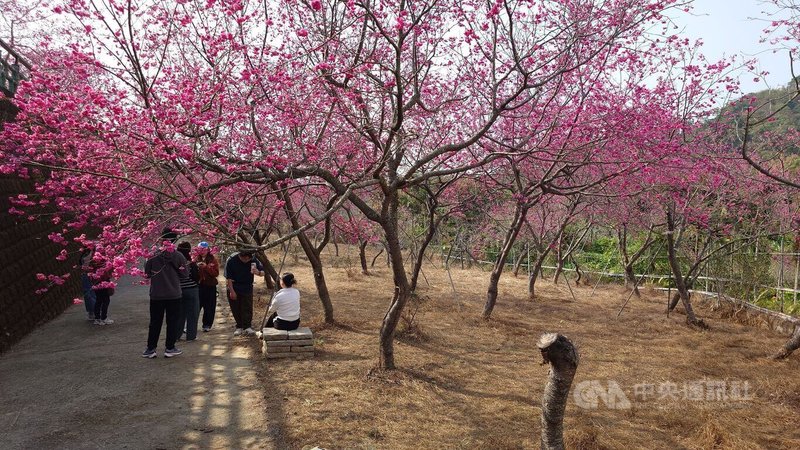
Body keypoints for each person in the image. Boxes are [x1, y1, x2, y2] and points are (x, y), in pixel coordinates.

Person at [142, 228, 188, 358]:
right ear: (174, 240)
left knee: (155, 322)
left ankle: (151, 349)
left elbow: (147, 275)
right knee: (172, 322)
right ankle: (170, 347)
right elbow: (185, 274)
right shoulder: (179, 256)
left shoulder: (152, 255)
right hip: (174, 294)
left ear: (162, 239)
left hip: (157, 294)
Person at [224, 248, 264, 336]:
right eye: (244, 258)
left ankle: (247, 326)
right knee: (235, 307)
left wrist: (258, 272)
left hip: (247, 286)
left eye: (248, 259)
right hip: (234, 286)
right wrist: (232, 291)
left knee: (247, 307)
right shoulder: (231, 259)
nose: (246, 260)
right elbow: (228, 278)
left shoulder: (253, 259)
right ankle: (239, 326)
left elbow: (263, 272)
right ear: (240, 255)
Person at [176, 241, 200, 342]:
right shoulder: (191, 263)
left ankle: (177, 335)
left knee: (180, 314)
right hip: (191, 290)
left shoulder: (175, 263)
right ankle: (191, 336)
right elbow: (196, 277)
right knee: (192, 314)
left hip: (179, 290)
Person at [195, 242, 220, 332]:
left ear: (208, 250)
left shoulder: (212, 259)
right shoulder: (195, 259)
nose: (202, 252)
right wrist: (195, 267)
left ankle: (207, 324)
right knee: (196, 306)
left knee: (209, 306)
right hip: (199, 286)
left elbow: (216, 273)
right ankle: (191, 324)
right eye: (200, 250)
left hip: (210, 286)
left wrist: (206, 267)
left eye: (204, 250)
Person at [92, 261, 115, 326]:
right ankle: (104, 318)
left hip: (95, 282)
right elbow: (105, 274)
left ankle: (97, 318)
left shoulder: (93, 262)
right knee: (105, 300)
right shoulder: (101, 262)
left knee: (98, 300)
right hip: (103, 282)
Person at [79, 248, 97, 321]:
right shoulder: (87, 253)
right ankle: (92, 312)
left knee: (91, 293)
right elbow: (81, 262)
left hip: (92, 275)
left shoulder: (93, 253)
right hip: (87, 275)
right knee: (89, 294)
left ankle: (93, 312)